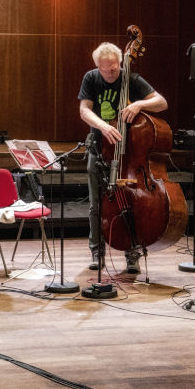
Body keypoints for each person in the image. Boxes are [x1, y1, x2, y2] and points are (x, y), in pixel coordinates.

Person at [78, 42, 168, 273]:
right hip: (100, 147)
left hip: (129, 152)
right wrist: (103, 126)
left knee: (131, 202)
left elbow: (161, 102)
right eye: (105, 69)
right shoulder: (91, 78)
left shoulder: (132, 78)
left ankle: (132, 253)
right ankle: (97, 252)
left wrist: (138, 104)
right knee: (96, 205)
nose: (111, 73)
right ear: (97, 65)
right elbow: (84, 110)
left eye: (115, 68)